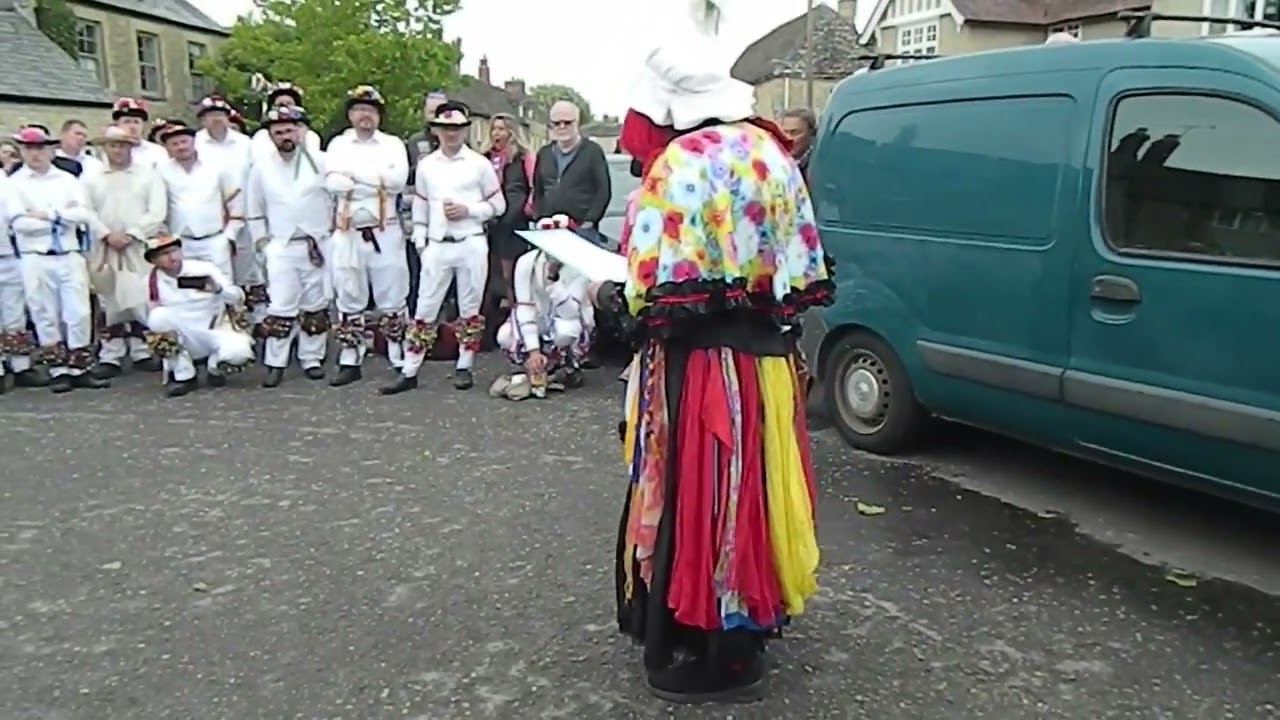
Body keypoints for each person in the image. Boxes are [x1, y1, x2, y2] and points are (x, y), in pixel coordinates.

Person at [599, 2, 832, 702]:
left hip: (697, 367)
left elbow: (648, 283)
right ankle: (743, 632)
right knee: (752, 490)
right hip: (764, 365)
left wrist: (615, 300)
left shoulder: (678, 163)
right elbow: (796, 267)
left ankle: (694, 640)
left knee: (695, 494)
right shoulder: (773, 156)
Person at [384, 101, 502, 395]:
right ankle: (410, 368)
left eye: (457, 129)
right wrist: (421, 240)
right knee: (425, 305)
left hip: (470, 241)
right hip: (438, 245)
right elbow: (421, 205)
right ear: (436, 131)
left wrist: (470, 210)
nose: (451, 135)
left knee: (470, 305)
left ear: (465, 131)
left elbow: (497, 204)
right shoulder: (426, 165)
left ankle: (464, 365)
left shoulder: (479, 164)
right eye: (446, 129)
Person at [4, 126, 108, 393]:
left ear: (50, 149)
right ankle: (58, 368)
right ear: (21, 151)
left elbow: (83, 214)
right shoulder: (14, 183)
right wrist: (63, 216)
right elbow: (19, 223)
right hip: (34, 256)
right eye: (28, 149)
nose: (35, 154)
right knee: (44, 312)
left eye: (40, 148)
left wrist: (47, 215)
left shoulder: (66, 180)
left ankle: (80, 367)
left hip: (68, 253)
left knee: (79, 312)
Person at [324, 84, 410, 387]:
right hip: (348, 231)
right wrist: (376, 182)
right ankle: (351, 358)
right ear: (350, 114)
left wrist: (355, 179)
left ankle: (400, 355)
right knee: (349, 294)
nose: (365, 116)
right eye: (360, 109)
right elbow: (333, 183)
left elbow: (398, 181)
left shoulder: (392, 144)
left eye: (371, 111)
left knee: (393, 293)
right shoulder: (338, 145)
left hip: (385, 229)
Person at [246, 106, 332, 388]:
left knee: (315, 303)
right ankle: (276, 362)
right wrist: (262, 242)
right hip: (281, 243)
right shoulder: (262, 168)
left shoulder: (321, 162)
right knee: (281, 303)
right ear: (270, 135)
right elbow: (254, 209)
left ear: (301, 131)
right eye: (279, 131)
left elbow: (337, 197)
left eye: (290, 129)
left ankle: (312, 358)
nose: (285, 135)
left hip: (316, 243)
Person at [84, 125, 167, 379]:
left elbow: (157, 210)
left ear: (131, 147)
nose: (117, 150)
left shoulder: (147, 175)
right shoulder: (91, 177)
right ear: (104, 147)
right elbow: (84, 210)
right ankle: (111, 354)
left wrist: (132, 233)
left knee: (142, 295)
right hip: (104, 246)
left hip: (137, 245)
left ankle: (143, 349)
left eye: (123, 145)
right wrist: (106, 234)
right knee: (109, 299)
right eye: (112, 145)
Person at [141, 233, 254, 397]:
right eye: (164, 255)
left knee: (240, 352)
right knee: (157, 318)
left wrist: (218, 290)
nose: (172, 257)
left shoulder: (204, 269)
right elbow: (152, 316)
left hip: (214, 327)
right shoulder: (150, 282)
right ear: (154, 261)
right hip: (184, 333)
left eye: (174, 251)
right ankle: (184, 375)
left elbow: (238, 297)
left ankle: (214, 368)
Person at [490, 231, 591, 401]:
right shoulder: (526, 262)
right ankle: (533, 366)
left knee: (566, 332)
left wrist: (554, 283)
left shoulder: (579, 266)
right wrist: (534, 351)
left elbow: (570, 311)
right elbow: (524, 306)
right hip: (538, 315)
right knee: (505, 336)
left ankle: (568, 364)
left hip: (566, 319)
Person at [195, 95, 265, 327]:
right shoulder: (195, 144)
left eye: (220, 115)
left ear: (229, 117)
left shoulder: (246, 143)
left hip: (245, 217)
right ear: (202, 120)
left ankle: (251, 322)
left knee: (249, 270)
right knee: (215, 275)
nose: (216, 120)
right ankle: (215, 323)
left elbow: (257, 178)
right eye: (210, 116)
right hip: (210, 220)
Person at [156, 120, 245, 282]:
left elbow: (235, 200)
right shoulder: (162, 171)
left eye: (184, 141)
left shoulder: (216, 166)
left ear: (193, 141)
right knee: (189, 288)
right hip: (181, 242)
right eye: (174, 144)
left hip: (215, 239)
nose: (181, 147)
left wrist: (230, 235)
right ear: (167, 148)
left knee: (222, 286)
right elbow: (159, 205)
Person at [531, 101, 611, 244]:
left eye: (567, 122)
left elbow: (603, 191)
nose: (562, 127)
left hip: (582, 232)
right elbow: (538, 190)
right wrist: (540, 217)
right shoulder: (544, 154)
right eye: (557, 123)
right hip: (550, 231)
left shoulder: (593, 151)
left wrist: (589, 221)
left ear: (577, 123)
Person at [484, 112, 534, 307]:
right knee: (490, 273)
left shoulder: (523, 157)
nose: (497, 133)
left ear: (511, 132)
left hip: (513, 221)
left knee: (510, 275)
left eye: (502, 129)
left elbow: (533, 186)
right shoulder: (485, 157)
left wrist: (526, 209)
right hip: (489, 222)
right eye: (494, 128)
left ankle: (517, 313)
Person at [0, 170, 43, 390]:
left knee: (15, 313)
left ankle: (21, 366)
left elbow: (17, 213)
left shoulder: (5, 181)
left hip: (9, 254)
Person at [251, 82, 322, 163]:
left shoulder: (311, 136)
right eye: (280, 104)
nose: (284, 108)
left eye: (289, 104)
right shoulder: (261, 136)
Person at [112, 97, 167, 168]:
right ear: (117, 125)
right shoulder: (109, 152)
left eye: (136, 122)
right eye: (126, 122)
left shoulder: (157, 151)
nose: (132, 126)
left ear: (143, 125)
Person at [780, 108, 816, 182]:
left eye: (795, 132)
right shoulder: (776, 164)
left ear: (811, 133)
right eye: (784, 133)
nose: (788, 138)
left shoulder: (819, 165)